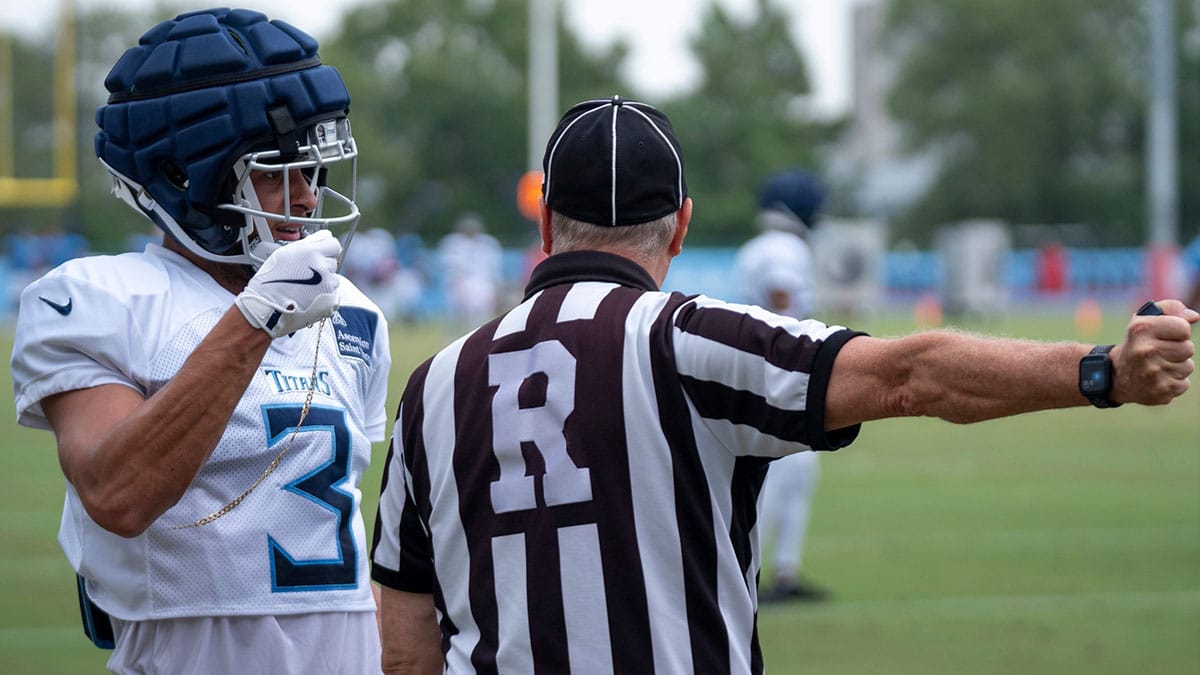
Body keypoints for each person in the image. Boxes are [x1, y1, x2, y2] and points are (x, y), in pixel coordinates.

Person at [370, 96, 1196, 674]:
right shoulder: (687, 341)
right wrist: (1105, 372)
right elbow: (912, 374)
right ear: (683, 225)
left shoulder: (430, 388)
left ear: (545, 224)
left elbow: (404, 645)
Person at [10, 8, 390, 674]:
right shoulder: (99, 299)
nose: (304, 199)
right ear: (187, 181)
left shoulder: (354, 314)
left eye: (310, 170)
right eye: (275, 172)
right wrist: (255, 320)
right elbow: (118, 493)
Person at [734, 169, 828, 602]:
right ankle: (754, 576)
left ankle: (783, 574)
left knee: (796, 474)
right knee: (779, 479)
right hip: (780, 375)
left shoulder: (760, 245)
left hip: (760, 372)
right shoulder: (784, 248)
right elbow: (781, 299)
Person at [438, 212, 503, 333]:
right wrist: (458, 285)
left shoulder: (488, 243)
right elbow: (451, 268)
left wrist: (496, 288)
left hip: (482, 284)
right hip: (459, 284)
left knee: (481, 315)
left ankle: (479, 337)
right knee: (455, 318)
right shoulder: (453, 243)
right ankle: (452, 341)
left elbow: (493, 270)